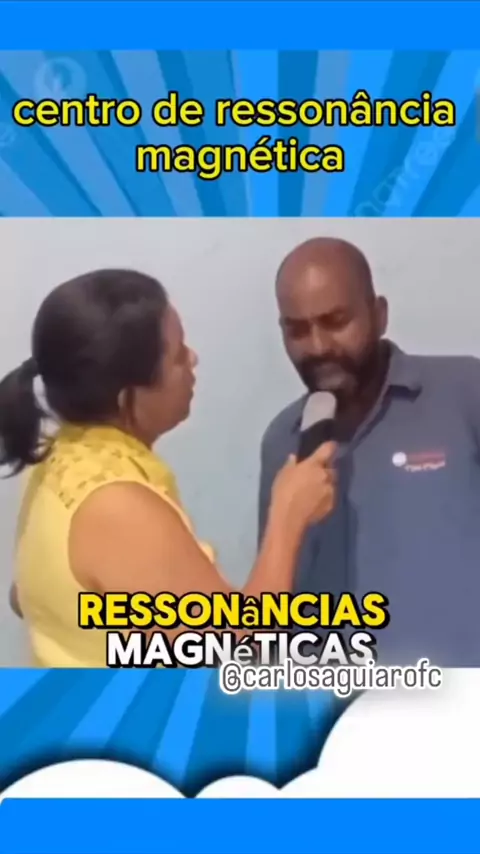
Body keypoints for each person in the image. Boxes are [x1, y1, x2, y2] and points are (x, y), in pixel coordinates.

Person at [2, 269, 336, 668]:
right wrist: (288, 517)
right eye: (177, 355)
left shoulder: (60, 459)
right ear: (127, 396)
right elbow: (235, 649)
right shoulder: (116, 505)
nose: (192, 359)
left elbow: (24, 594)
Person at [258, 236, 480, 667]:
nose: (318, 346)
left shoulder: (464, 391)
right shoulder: (282, 440)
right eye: (297, 330)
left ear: (379, 315)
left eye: (336, 321)